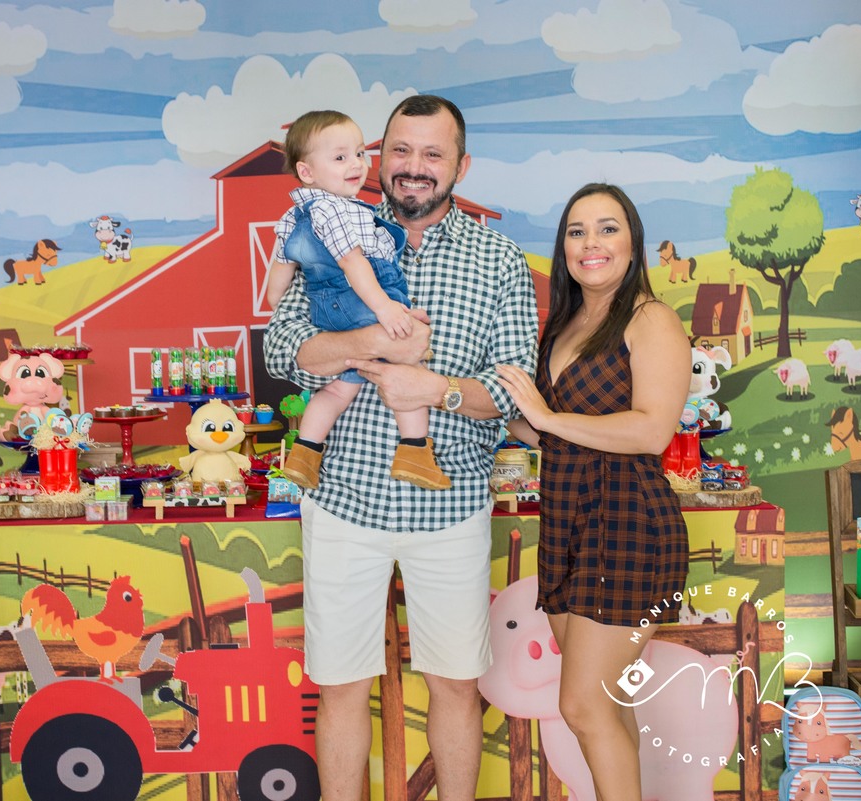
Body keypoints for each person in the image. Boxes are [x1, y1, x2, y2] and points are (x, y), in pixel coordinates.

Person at [265, 95, 539, 800]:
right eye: (400, 150)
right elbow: (284, 348)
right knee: (340, 686)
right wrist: (373, 339)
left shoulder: (499, 258)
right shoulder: (329, 224)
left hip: (450, 506)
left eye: (433, 153)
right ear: (379, 158)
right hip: (344, 503)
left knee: (456, 683)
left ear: (460, 166)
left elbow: (514, 389)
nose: (414, 167)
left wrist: (434, 388)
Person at [495, 183, 691, 801]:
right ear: (564, 248)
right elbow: (548, 431)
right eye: (577, 232)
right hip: (569, 524)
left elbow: (652, 430)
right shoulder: (563, 323)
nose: (591, 243)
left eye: (608, 228)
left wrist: (546, 418)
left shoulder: (650, 319)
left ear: (632, 243)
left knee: (582, 705)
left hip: (629, 524)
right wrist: (483, 404)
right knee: (606, 706)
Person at [267, 109, 449, 491]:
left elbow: (279, 275)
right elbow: (354, 263)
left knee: (337, 389)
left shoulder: (292, 217)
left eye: (360, 153)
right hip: (362, 295)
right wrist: (385, 311)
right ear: (306, 172)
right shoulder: (338, 209)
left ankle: (304, 454)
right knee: (410, 365)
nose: (356, 164)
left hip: (326, 307)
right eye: (340, 157)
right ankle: (415, 451)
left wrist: (278, 302)